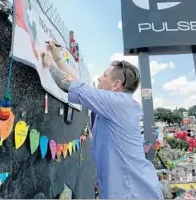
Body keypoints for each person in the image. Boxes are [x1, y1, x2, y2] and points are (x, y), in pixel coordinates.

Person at [41, 41, 163, 199]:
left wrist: (50, 63)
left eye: (105, 76)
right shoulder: (119, 104)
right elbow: (80, 85)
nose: (99, 78)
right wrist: (59, 59)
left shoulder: (116, 102)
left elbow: (67, 84)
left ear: (116, 84)